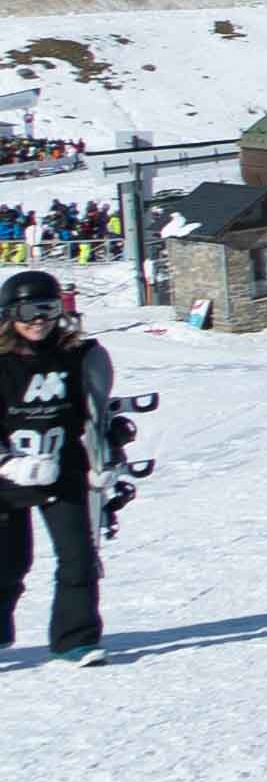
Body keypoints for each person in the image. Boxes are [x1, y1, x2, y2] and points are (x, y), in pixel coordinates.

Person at [0, 270, 118, 661]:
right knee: (9, 562)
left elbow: (97, 413)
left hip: (61, 466)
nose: (39, 320)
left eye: (48, 309)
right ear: (9, 313)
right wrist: (8, 464)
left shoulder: (76, 356)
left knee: (79, 556)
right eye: (29, 310)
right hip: (7, 478)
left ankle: (76, 638)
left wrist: (105, 459)